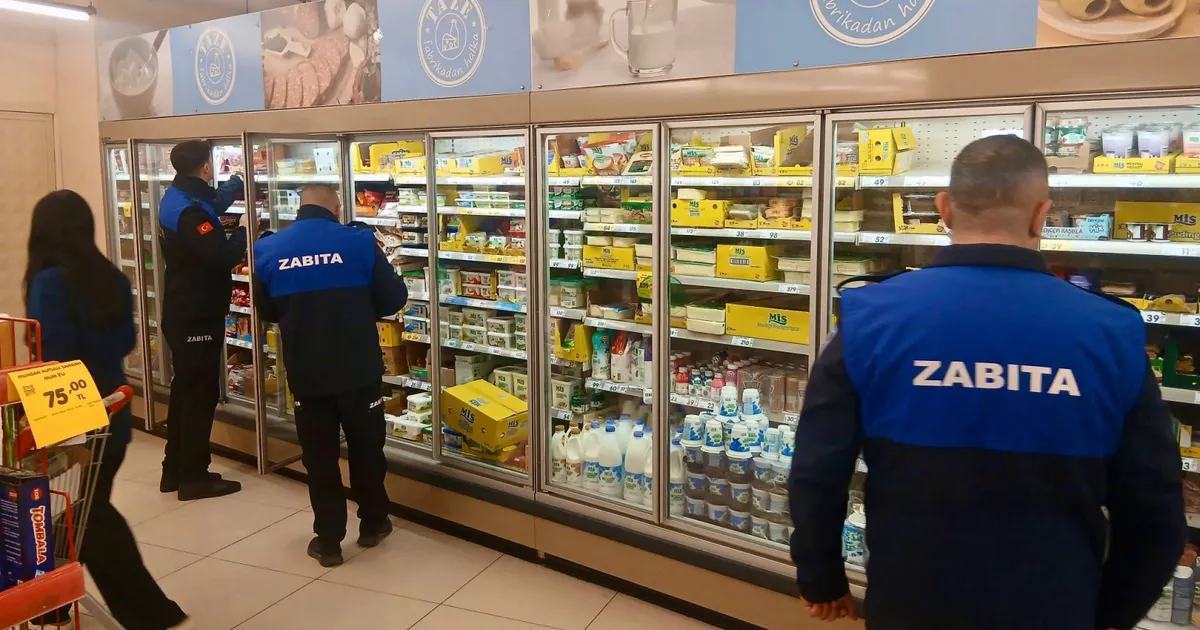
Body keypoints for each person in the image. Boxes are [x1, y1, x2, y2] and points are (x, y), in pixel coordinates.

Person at [788, 135, 1185, 630]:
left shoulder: (870, 315)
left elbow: (818, 465)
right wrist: (1112, 612)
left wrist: (820, 573)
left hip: (910, 602)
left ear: (943, 209)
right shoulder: (1111, 330)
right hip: (1055, 606)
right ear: (1042, 215)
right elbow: (1155, 507)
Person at [25, 190, 192, 629]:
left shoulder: (49, 282)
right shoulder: (111, 277)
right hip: (112, 415)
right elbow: (126, 342)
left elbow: (53, 355)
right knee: (78, 512)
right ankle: (51, 601)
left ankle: (151, 614)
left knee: (86, 515)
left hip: (69, 419)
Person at [253, 184, 406, 567]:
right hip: (358, 367)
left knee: (319, 457)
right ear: (336, 207)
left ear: (299, 207)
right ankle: (373, 523)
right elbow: (393, 299)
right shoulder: (358, 241)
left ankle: (329, 540)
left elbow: (267, 310)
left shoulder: (268, 248)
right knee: (366, 448)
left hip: (307, 372)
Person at [158, 139, 246, 501]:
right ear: (206, 167)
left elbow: (212, 202)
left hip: (183, 310)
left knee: (184, 390)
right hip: (195, 315)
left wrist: (237, 183)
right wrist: (246, 230)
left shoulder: (178, 195)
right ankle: (194, 477)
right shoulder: (189, 212)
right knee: (199, 394)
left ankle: (173, 470)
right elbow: (221, 255)